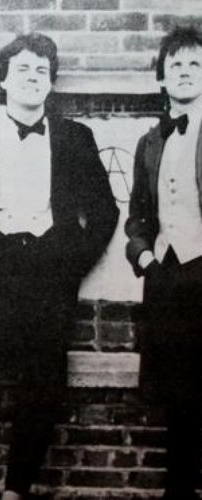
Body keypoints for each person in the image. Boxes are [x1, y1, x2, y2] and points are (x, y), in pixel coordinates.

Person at [0, 33, 118, 500]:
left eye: (42, 71)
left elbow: (104, 212)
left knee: (46, 379)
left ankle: (16, 489)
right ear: (3, 80)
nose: (32, 78)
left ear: (51, 83)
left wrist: (71, 261)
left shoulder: (74, 137)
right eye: (22, 69)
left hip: (50, 271)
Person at [125, 26, 202, 500]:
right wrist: (146, 257)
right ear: (162, 78)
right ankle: (179, 489)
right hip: (167, 276)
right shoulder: (150, 142)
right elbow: (137, 215)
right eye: (176, 65)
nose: (185, 72)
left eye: (195, 64)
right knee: (177, 389)